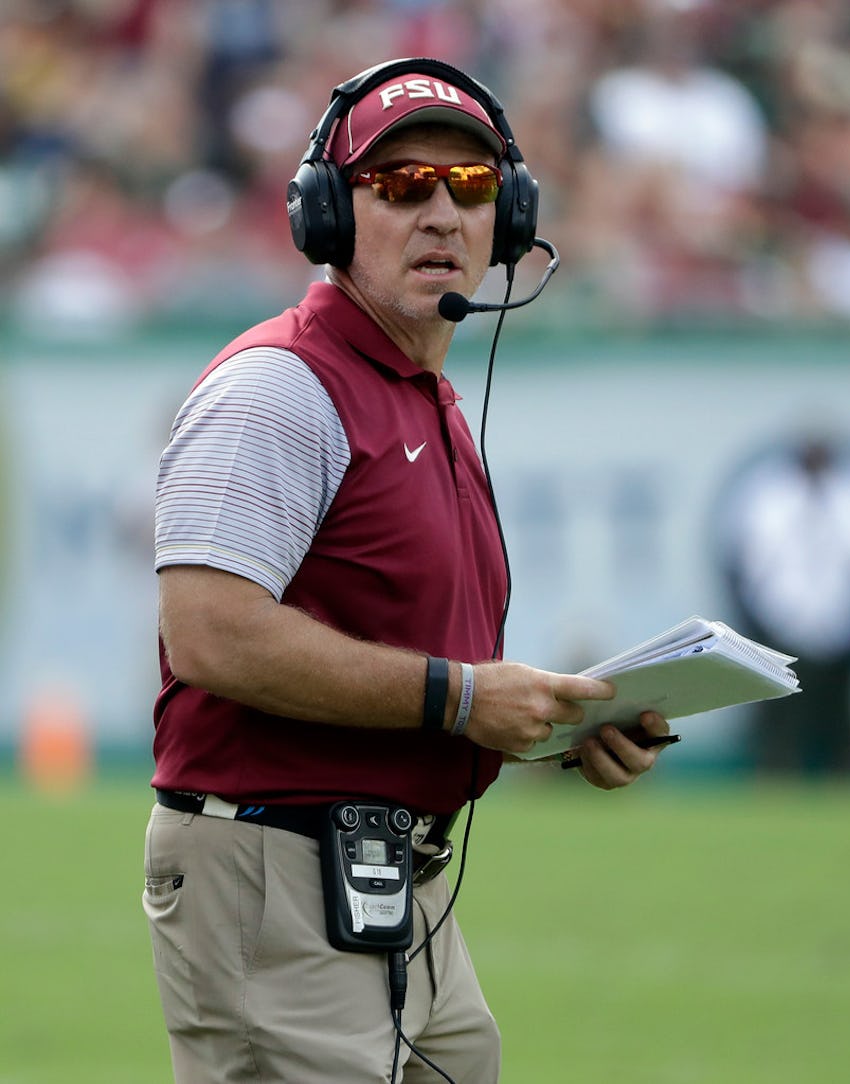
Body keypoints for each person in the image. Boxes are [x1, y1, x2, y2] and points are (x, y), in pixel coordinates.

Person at [143, 57, 669, 1084]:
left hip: (398, 883)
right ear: (329, 215)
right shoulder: (281, 387)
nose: (441, 211)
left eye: (470, 186)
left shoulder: (424, 395)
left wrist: (553, 724)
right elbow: (207, 631)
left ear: (508, 219)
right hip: (274, 868)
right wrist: (464, 697)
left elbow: (418, 666)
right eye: (399, 183)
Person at [712, 430, 850, 774]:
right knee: (777, 709)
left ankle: (847, 778)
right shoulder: (770, 493)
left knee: (842, 711)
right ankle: (776, 774)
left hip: (845, 621)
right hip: (779, 616)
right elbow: (747, 557)